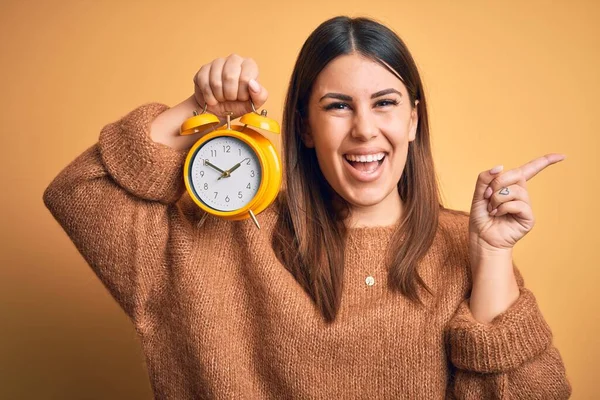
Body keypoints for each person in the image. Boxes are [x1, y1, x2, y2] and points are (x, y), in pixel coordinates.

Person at [43, 16, 572, 399]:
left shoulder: (467, 246)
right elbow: (78, 191)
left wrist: (493, 256)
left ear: (413, 121)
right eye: (338, 106)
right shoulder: (223, 236)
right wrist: (197, 112)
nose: (365, 129)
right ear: (303, 127)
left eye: (384, 103)